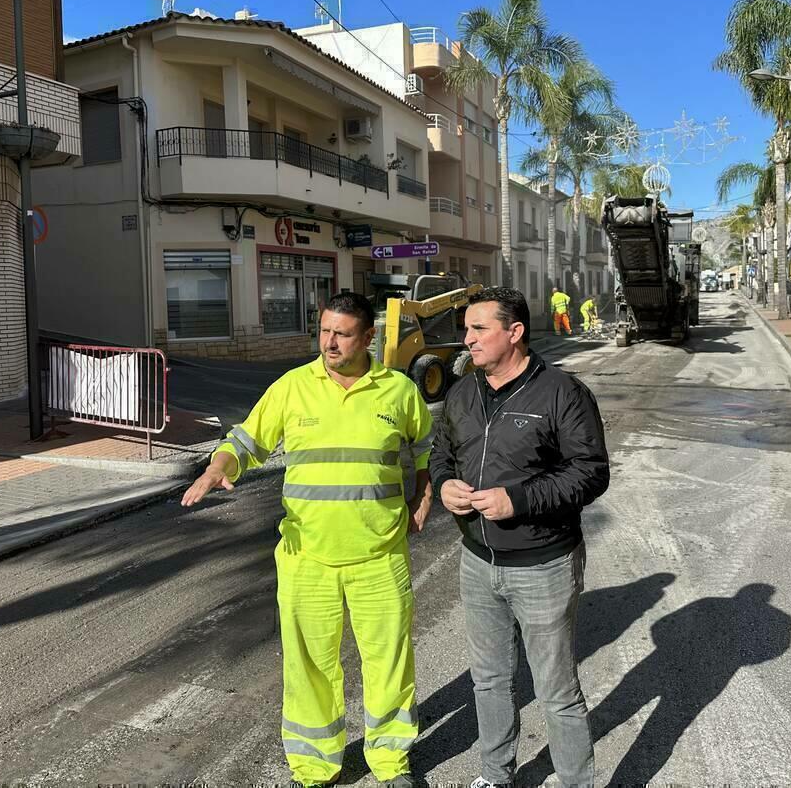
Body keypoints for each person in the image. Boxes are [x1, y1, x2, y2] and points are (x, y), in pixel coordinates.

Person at [182, 292, 433, 788]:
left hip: (380, 555)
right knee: (309, 668)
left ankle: (391, 763)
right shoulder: (293, 387)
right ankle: (315, 767)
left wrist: (423, 497)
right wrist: (218, 466)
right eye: (323, 331)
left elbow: (425, 448)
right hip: (306, 557)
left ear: (367, 338)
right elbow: (246, 441)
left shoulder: (398, 391)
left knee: (388, 662)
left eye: (341, 333)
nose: (329, 342)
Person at [430, 287, 610, 788]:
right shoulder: (463, 391)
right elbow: (441, 452)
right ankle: (495, 775)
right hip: (477, 560)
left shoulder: (561, 392)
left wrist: (519, 500)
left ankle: (576, 780)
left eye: (478, 329)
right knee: (489, 681)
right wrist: (444, 484)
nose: (467, 340)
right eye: (466, 329)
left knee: (556, 690)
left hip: (544, 564)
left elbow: (590, 473)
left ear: (515, 332)